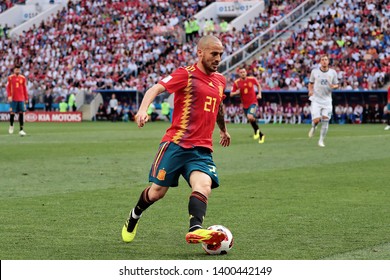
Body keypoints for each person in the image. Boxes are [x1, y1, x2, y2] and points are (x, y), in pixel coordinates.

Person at [121, 35, 231, 246]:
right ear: (200, 53)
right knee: (156, 193)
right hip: (176, 145)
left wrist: (223, 130)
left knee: (204, 185)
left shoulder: (220, 80)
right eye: (213, 54)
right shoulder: (186, 74)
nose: (218, 58)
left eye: (220, 54)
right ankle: (134, 215)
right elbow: (155, 89)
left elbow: (218, 106)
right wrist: (143, 110)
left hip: (201, 149)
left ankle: (196, 229)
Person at [308, 54, 339, 147]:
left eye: (326, 59)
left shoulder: (333, 72)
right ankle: (314, 127)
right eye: (322, 59)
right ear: (320, 62)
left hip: (327, 101)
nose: (324, 61)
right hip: (316, 100)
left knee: (325, 120)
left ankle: (321, 140)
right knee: (316, 120)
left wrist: (334, 86)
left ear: (328, 61)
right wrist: (310, 90)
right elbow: (310, 83)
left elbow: (337, 85)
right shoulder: (314, 72)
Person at [230, 67, 265, 143]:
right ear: (239, 74)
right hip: (245, 105)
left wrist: (259, 94)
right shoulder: (237, 82)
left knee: (250, 116)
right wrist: (236, 93)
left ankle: (257, 130)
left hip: (253, 102)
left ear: (246, 73)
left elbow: (258, 85)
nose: (243, 73)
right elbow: (231, 94)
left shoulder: (252, 79)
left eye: (244, 72)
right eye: (241, 72)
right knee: (250, 119)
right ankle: (260, 133)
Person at [7, 64, 28, 136]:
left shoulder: (23, 78)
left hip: (21, 98)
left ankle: (21, 130)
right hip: (13, 98)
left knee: (21, 113)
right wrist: (9, 96)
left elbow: (25, 88)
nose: (17, 71)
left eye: (18, 69)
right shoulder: (10, 77)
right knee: (12, 113)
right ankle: (11, 125)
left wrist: (26, 98)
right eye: (16, 69)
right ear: (14, 70)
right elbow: (8, 88)